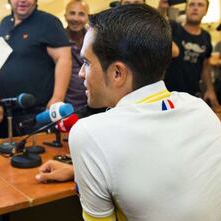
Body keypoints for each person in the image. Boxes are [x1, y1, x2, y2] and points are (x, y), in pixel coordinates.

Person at [36, 4, 221, 220]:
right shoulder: (200, 109)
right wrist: (80, 172)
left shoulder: (89, 133)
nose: (81, 74)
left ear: (117, 73)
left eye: (87, 62)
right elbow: (163, 174)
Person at [0, 0, 71, 137]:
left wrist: (58, 97)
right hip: (5, 112)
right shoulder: (4, 23)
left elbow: (64, 59)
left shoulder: (48, 22)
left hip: (35, 112)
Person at [160, 0, 220, 108]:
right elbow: (158, 25)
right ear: (187, 8)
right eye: (192, 4)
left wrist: (210, 90)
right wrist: (162, 9)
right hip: (167, 94)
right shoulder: (173, 27)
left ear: (206, 11)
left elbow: (205, 66)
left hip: (192, 96)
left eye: (200, 5)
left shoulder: (206, 36)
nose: (195, 8)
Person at [64, 0, 89, 111]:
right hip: (67, 105)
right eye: (72, 13)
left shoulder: (95, 39)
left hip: (93, 101)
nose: (76, 18)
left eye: (81, 14)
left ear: (88, 17)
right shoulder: (57, 40)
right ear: (65, 16)